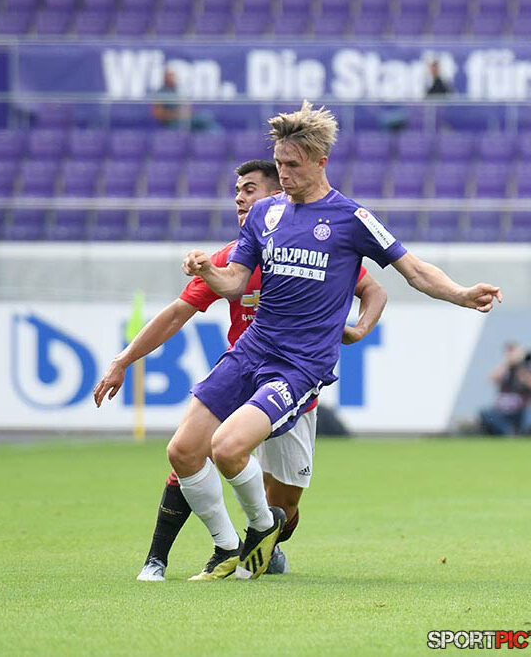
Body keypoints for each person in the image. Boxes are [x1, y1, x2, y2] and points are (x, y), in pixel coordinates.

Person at [173, 100, 502, 580]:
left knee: (226, 449)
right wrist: (207, 269)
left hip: (300, 364)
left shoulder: (352, 218)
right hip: (253, 348)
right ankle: (228, 546)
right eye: (280, 163)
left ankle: (262, 526)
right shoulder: (265, 213)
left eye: (293, 165)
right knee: (183, 449)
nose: (284, 174)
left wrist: (460, 293)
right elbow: (235, 283)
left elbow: (413, 270)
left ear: (320, 161)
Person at [94, 160, 388, 581]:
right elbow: (177, 314)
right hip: (244, 373)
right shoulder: (230, 258)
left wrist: (359, 329)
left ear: (277, 197)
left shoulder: (315, 248)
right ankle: (199, 551)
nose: (238, 199)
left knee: (285, 510)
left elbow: (373, 289)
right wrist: (123, 360)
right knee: (189, 451)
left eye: (249, 190)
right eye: (236, 191)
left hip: (294, 384)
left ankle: (268, 542)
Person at [479, 342, 531, 436]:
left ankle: (524, 433)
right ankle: (509, 433)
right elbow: (492, 378)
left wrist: (521, 367)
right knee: (486, 413)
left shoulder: (525, 368)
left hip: (521, 409)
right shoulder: (505, 369)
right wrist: (507, 363)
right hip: (503, 410)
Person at [151, 69, 217, 132]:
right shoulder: (160, 93)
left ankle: (216, 137)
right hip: (172, 121)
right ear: (164, 78)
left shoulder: (179, 90)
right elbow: (158, 114)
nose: (172, 78)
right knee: (181, 123)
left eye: (173, 76)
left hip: (186, 118)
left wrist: (187, 113)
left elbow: (188, 107)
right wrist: (176, 115)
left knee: (205, 116)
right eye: (169, 76)